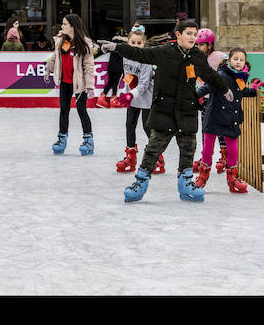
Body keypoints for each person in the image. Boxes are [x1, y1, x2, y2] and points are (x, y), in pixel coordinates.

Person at [98, 18, 233, 203]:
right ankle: (140, 183)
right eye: (189, 34)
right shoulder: (164, 52)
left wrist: (225, 89)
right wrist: (116, 48)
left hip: (187, 110)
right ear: (178, 35)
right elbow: (140, 54)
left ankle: (186, 184)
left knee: (188, 148)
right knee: (153, 148)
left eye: (195, 34)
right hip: (164, 110)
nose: (193, 37)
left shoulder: (197, 56)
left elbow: (210, 75)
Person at [193, 47, 258, 193]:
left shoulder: (241, 78)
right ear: (229, 60)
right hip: (215, 115)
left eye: (241, 60)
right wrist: (194, 95)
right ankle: (203, 176)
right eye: (235, 59)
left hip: (231, 118)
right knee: (207, 149)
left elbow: (241, 92)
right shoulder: (221, 75)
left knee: (233, 150)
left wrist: (254, 89)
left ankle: (232, 177)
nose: (238, 62)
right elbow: (208, 87)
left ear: (245, 62)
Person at [113, 28, 166, 175]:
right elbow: (128, 78)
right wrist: (123, 93)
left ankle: (157, 158)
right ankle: (131, 157)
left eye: (139, 43)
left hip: (147, 98)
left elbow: (143, 84)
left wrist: (130, 95)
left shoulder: (146, 59)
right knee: (129, 124)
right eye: (133, 42)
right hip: (133, 97)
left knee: (147, 127)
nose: (136, 45)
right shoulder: (126, 57)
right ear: (128, 43)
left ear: (144, 43)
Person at [44, 14, 96, 156]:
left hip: (80, 83)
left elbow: (89, 66)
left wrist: (90, 85)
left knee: (81, 110)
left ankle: (88, 140)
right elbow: (55, 57)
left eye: (65, 24)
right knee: (64, 110)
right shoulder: (62, 41)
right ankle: (62, 139)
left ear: (73, 26)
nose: (62, 26)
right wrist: (49, 68)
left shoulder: (84, 43)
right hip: (65, 82)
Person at [191, 27, 229, 173]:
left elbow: (229, 68)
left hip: (219, 99)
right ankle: (205, 157)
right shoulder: (195, 58)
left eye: (201, 44)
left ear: (209, 45)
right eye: (197, 45)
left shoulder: (218, 56)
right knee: (205, 129)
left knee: (220, 128)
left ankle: (225, 156)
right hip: (204, 99)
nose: (198, 47)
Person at [99, 34, 125, 105]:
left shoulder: (112, 43)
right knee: (115, 84)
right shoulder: (124, 44)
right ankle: (113, 100)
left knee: (110, 82)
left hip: (111, 66)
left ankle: (101, 99)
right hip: (118, 67)